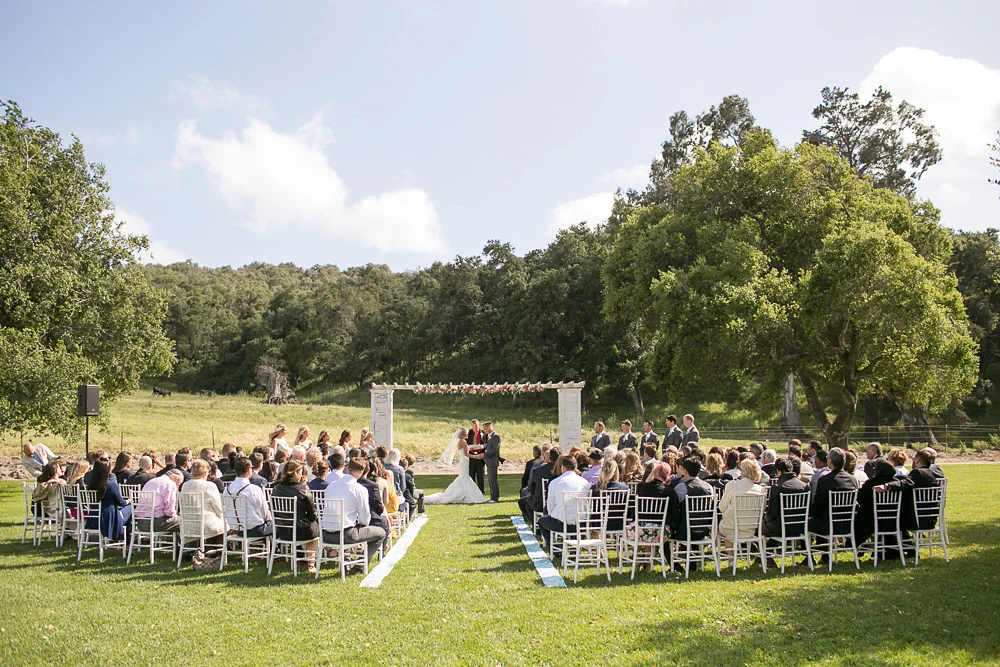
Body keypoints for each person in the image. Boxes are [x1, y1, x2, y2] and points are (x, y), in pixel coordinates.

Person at [323, 457, 388, 564]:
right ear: (361, 472)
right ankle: (361, 564)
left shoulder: (331, 486)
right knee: (381, 533)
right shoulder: (359, 489)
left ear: (348, 468)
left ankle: (347, 560)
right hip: (345, 534)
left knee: (350, 525)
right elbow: (365, 520)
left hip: (326, 533)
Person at [268, 460, 320, 572]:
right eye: (300, 472)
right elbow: (312, 513)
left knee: (311, 527)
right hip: (300, 530)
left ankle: (301, 556)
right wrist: (313, 519)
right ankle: (311, 564)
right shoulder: (302, 488)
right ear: (296, 473)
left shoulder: (276, 488)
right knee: (314, 530)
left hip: (281, 531)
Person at [808, 448, 860, 553]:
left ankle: (810, 556)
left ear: (830, 461)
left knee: (810, 521)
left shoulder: (824, 480)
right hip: (848, 524)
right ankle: (824, 555)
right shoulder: (853, 480)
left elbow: (818, 504)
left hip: (828, 525)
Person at [877, 447, 941, 531]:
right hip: (929, 519)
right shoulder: (930, 473)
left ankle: (891, 541)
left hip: (917, 520)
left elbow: (905, 482)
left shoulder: (918, 472)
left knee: (890, 515)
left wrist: (886, 486)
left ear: (917, 460)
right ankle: (902, 540)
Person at [538, 456, 591, 551]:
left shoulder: (555, 483)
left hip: (561, 524)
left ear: (563, 467)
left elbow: (550, 506)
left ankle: (554, 550)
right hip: (582, 524)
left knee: (542, 521)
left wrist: (554, 515)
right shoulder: (585, 483)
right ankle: (574, 549)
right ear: (576, 467)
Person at [426, 429, 486, 505]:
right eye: (467, 434)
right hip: (465, 461)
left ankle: (462, 492)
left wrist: (475, 447)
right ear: (464, 435)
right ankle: (465, 494)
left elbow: (467, 449)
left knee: (464, 477)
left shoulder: (459, 442)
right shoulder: (463, 442)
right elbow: (466, 454)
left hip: (463, 461)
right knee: (465, 477)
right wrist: (475, 456)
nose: (468, 435)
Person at [852, 458, 898, 547]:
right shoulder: (895, 483)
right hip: (893, 519)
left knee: (860, 517)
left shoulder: (872, 483)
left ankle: (856, 545)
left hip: (873, 520)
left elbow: (860, 498)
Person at [719, 459, 765, 546]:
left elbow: (722, 508)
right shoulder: (761, 490)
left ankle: (731, 558)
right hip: (750, 530)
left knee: (721, 529)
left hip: (730, 528)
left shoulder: (732, 485)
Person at [180, 460, 226, 548]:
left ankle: (209, 550)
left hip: (187, 525)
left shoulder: (185, 485)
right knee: (226, 524)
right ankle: (216, 551)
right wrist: (222, 516)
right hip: (206, 525)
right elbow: (218, 508)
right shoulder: (210, 485)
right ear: (205, 473)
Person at [85, 458, 132, 543]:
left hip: (93, 519)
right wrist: (129, 501)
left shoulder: (90, 486)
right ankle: (125, 541)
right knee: (131, 509)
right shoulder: (111, 486)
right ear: (107, 470)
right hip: (109, 520)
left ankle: (121, 539)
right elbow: (121, 502)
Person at [668, 457, 715, 542]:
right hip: (703, 531)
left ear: (685, 471)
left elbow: (673, 506)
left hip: (684, 532)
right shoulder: (709, 487)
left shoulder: (682, 487)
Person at [762, 456, 809, 538]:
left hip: (780, 528)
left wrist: (765, 519)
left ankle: (764, 548)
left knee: (760, 526)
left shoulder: (777, 487)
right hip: (800, 526)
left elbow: (772, 513)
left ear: (778, 471)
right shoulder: (804, 486)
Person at [224, 456, 272, 538]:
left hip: (237, 529)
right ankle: (276, 550)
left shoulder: (227, 489)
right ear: (249, 469)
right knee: (277, 525)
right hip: (254, 529)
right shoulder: (253, 489)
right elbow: (265, 513)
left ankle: (274, 549)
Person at [519, 448, 558, 524]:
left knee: (523, 501)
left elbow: (530, 486)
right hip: (558, 503)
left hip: (540, 503)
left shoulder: (538, 470)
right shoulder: (561, 471)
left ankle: (534, 523)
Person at [483, 422, 502, 503]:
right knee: (490, 479)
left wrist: (485, 454)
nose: (484, 430)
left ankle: (495, 497)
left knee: (493, 480)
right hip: (489, 461)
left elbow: (495, 450)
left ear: (489, 427)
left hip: (493, 461)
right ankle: (492, 496)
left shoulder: (495, 436)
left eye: (485, 428)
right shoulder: (489, 436)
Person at [466, 419, 487, 495]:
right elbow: (465, 444)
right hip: (471, 457)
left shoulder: (483, 433)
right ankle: (472, 493)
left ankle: (481, 492)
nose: (475, 429)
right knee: (471, 475)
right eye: (474, 427)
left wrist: (482, 447)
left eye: (477, 427)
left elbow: (487, 444)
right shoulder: (469, 433)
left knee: (481, 476)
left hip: (480, 457)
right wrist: (469, 448)